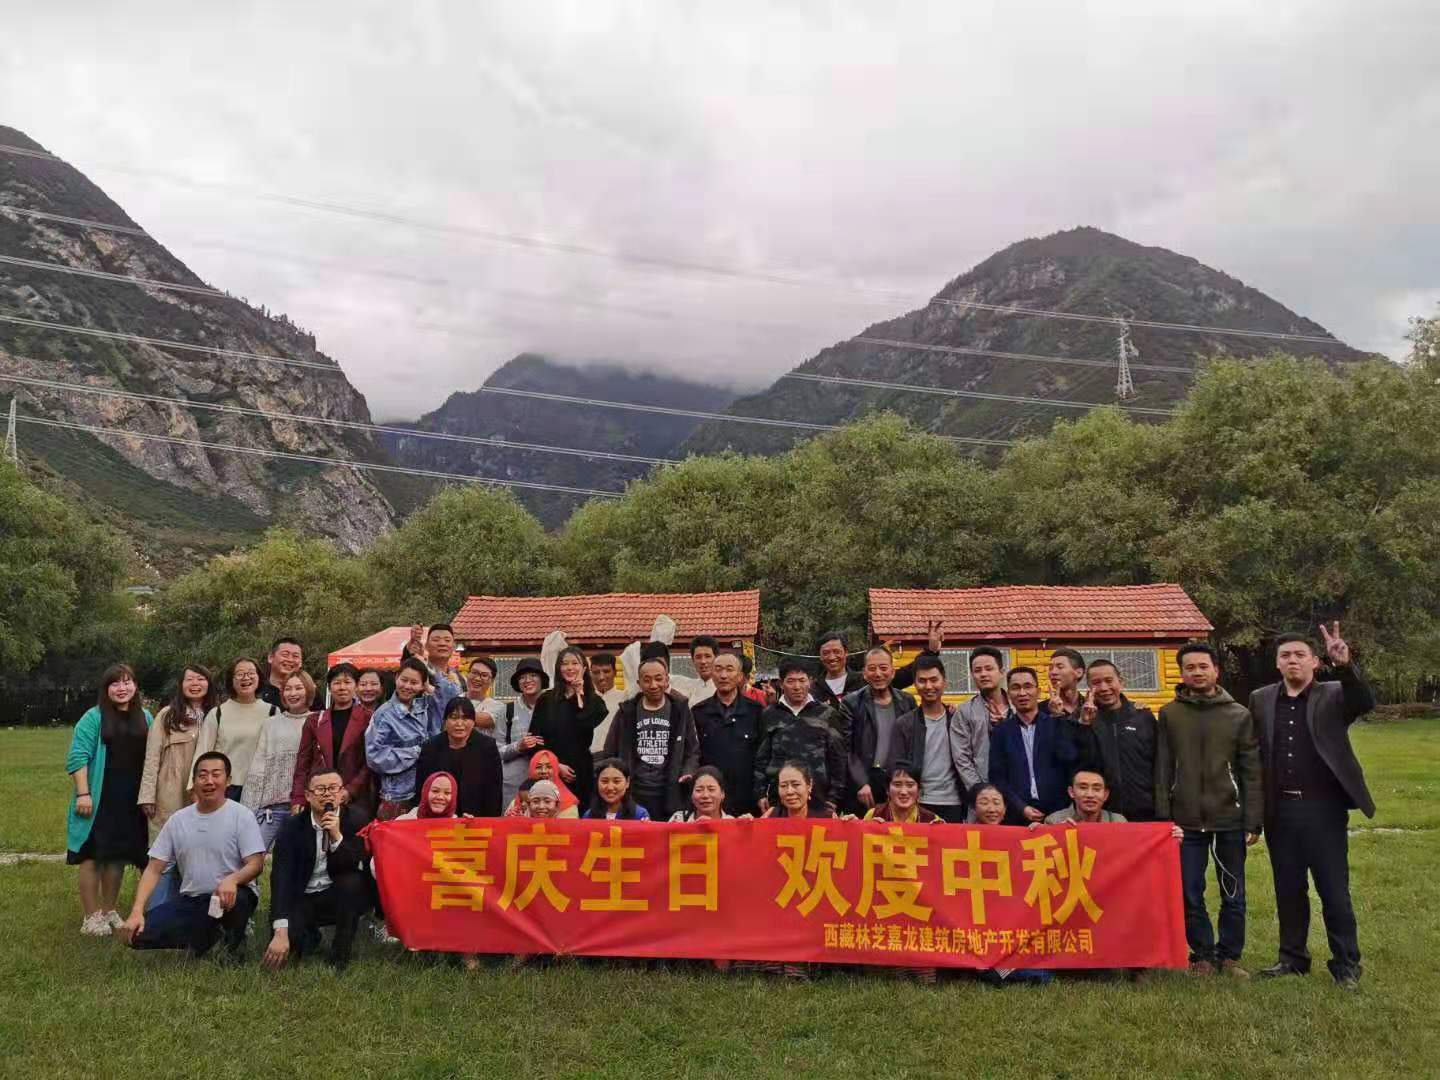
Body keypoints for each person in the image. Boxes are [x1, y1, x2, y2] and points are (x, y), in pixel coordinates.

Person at [1249, 624, 1375, 991]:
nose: (1293, 660)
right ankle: (1292, 959)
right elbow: (1255, 756)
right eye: (1285, 655)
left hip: (1324, 810)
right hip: (1280, 811)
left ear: (1314, 661)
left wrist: (1345, 665)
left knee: (1334, 891)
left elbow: (1364, 702)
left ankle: (1346, 964)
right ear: (1277, 663)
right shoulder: (1260, 699)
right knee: (1288, 889)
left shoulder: (1335, 693)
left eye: (1300, 654)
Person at [1157, 641, 1262, 979]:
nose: (1197, 672)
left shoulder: (1239, 714)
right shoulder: (1170, 714)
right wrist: (1164, 815)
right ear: (1182, 673)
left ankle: (1229, 956)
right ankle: (1201, 954)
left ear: (1216, 670)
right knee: (1189, 891)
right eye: (1190, 667)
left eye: (1203, 666)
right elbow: (1162, 768)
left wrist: (1253, 820)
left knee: (1233, 891)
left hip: (1229, 819)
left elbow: (1251, 770)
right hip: (1185, 822)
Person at [120, 752, 266, 961]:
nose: (209, 781)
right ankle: (205, 938)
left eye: (216, 775)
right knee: (135, 935)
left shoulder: (241, 815)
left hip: (233, 896)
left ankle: (233, 942)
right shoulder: (178, 820)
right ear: (194, 781)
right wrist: (137, 911)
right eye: (202, 775)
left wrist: (232, 880)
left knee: (237, 902)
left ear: (228, 781)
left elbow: (256, 864)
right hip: (193, 901)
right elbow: (154, 869)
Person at [66, 664, 153, 936]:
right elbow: (78, 757)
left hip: (130, 800)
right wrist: (83, 793)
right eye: (115, 683)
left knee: (117, 856)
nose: (122, 688)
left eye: (127, 682)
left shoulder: (146, 717)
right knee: (91, 855)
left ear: (135, 686)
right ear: (106, 689)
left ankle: (108, 910)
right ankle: (91, 917)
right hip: (98, 798)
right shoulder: (93, 717)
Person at [263, 768, 369, 971]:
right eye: (320, 789)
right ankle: (308, 934)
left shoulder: (357, 819)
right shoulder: (292, 826)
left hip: (336, 893)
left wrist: (337, 837)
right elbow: (281, 878)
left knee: (353, 883)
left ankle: (340, 954)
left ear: (341, 793)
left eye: (333, 788)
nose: (327, 794)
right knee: (290, 948)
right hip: (302, 896)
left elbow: (357, 863)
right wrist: (280, 930)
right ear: (308, 796)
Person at [365, 656, 461, 820]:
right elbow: (375, 757)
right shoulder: (384, 714)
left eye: (414, 682)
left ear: (423, 685)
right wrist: (417, 752)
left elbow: (453, 694)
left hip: (432, 793)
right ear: (396, 678)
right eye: (404, 680)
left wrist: (430, 669)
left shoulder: (427, 706)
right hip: (399, 796)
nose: (407, 686)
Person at [605, 655, 700, 820]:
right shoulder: (627, 711)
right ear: (639, 683)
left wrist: (688, 772)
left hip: (670, 790)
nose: (653, 685)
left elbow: (692, 750)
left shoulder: (680, 710)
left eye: (658, 679)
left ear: (667, 680)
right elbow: (610, 750)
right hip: (634, 791)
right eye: (647, 680)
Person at [1066, 658, 1159, 821]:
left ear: (1120, 682)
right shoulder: (1078, 720)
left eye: (1109, 681)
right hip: (1102, 815)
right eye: (1096, 683)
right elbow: (1077, 763)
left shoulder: (1143, 717)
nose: (1104, 688)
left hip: (1145, 812)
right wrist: (1084, 726)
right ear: (1089, 687)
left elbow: (1159, 763)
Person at [753, 659, 847, 814]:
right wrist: (760, 793)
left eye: (802, 680)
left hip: (820, 799)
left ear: (810, 682)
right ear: (781, 684)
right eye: (791, 681)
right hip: (780, 798)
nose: (797, 686)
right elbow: (761, 758)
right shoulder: (769, 715)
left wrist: (834, 798)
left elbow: (838, 758)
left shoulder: (827, 714)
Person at [289, 662, 374, 822]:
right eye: (336, 683)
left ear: (356, 686)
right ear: (329, 687)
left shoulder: (368, 718)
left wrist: (349, 791)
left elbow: (369, 763)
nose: (342, 687)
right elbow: (303, 764)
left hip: (355, 800)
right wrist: (298, 798)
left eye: (347, 682)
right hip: (320, 796)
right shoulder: (314, 720)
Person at [886, 655, 967, 822]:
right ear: (915, 684)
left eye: (934, 680)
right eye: (922, 681)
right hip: (917, 802)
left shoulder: (957, 719)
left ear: (944, 682)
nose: (928, 686)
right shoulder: (905, 724)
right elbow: (896, 765)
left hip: (954, 801)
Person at [528, 646, 607, 813]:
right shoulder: (546, 699)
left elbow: (584, 723)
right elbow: (534, 739)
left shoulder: (595, 702)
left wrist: (579, 695)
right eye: (564, 663)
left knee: (578, 817)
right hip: (548, 771)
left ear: (584, 668)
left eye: (574, 663)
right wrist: (555, 765)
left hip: (580, 772)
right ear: (558, 668)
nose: (570, 667)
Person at [139, 664, 216, 835]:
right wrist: (147, 796)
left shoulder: (217, 715)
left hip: (205, 789)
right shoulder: (167, 715)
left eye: (200, 679)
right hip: (169, 791)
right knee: (168, 841)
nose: (195, 683)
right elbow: (152, 757)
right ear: (181, 685)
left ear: (209, 684)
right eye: (189, 679)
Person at [841, 646, 918, 815]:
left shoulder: (907, 702)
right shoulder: (851, 703)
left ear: (892, 672)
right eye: (872, 668)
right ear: (864, 673)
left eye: (883, 668)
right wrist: (860, 783)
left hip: (898, 780)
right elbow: (846, 749)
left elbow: (914, 744)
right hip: (865, 782)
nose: (878, 674)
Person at [988, 667, 1070, 822]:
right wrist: (1021, 807)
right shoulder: (1001, 732)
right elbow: (997, 777)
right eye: (1015, 688)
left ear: (1038, 692)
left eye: (1027, 686)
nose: (1022, 693)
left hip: (1058, 814)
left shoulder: (1056, 724)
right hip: (1016, 814)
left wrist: (1059, 717)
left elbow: (1069, 760)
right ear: (1009, 695)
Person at [244, 671, 314, 850]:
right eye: (288, 689)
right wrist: (249, 810)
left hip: (307, 806)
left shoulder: (319, 720)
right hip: (272, 807)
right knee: (253, 853)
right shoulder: (271, 724)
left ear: (308, 690)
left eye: (298, 688)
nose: (293, 693)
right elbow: (258, 768)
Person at [692, 649, 766, 816]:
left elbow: (763, 757)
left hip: (748, 798)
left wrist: (761, 792)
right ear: (712, 675)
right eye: (718, 670)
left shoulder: (756, 711)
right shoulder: (698, 712)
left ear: (740, 676)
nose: (723, 675)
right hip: (711, 801)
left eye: (729, 669)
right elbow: (694, 755)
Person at [192, 657, 277, 800]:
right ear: (231, 680)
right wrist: (195, 788)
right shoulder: (218, 713)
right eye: (240, 674)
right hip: (225, 788)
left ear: (259, 677)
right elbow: (202, 752)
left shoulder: (272, 712)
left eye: (251, 673)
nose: (246, 677)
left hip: (262, 788)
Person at [415, 697, 504, 818]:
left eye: (465, 718)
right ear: (445, 721)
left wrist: (489, 821)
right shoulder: (430, 747)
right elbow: (422, 788)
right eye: (454, 717)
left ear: (473, 721)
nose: (459, 723)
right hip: (439, 818)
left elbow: (494, 791)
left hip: (476, 817)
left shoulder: (487, 747)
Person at [954, 646, 1007, 796]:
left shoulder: (1017, 707)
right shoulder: (965, 711)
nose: (983, 674)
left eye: (989, 669)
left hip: (1018, 794)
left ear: (1002, 672)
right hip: (980, 795)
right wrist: (980, 791)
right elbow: (962, 758)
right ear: (972, 675)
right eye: (977, 670)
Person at [496, 658, 546, 810]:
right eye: (522, 677)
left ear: (542, 679)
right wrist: (518, 746)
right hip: (512, 786)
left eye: (533, 675)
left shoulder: (553, 708)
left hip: (546, 782)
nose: (527, 680)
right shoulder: (507, 711)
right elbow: (497, 751)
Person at [503, 750, 581, 818]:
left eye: (549, 767)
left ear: (556, 770)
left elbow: (568, 828)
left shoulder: (568, 803)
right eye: (538, 767)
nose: (543, 771)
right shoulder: (519, 799)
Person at [1043, 768, 1127, 824]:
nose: (1090, 795)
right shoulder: (1054, 821)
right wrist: (1059, 833)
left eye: (1096, 789)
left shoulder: (1118, 822)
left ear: (1105, 795)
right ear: (1071, 792)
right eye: (1083, 788)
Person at [864, 763, 940, 824]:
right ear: (887, 790)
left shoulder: (932, 820)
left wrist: (939, 832)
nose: (904, 792)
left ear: (919, 790)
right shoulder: (873, 815)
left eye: (910, 785)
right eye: (897, 785)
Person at [402, 622, 464, 693]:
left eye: (447, 640)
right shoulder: (419, 670)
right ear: (426, 645)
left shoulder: (459, 677)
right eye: (436, 640)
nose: (442, 644)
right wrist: (410, 648)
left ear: (453, 646)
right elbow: (407, 664)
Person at [761, 762, 836, 819]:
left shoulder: (826, 818)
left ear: (809, 786)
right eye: (783, 786)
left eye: (796, 784)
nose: (789, 791)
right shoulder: (771, 816)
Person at [585, 758, 651, 820]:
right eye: (604, 781)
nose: (610, 787)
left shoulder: (640, 815)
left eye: (616, 781)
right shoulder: (589, 816)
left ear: (627, 782)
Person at [587, 651, 625, 760]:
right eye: (596, 672)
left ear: (615, 672)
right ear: (590, 674)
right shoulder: (584, 700)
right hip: (588, 758)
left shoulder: (625, 698)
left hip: (615, 759)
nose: (601, 677)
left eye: (606, 671)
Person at [812, 631, 864, 709]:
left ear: (846, 652)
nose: (832, 657)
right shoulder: (814, 689)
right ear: (820, 656)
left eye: (836, 652)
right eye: (826, 653)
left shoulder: (862, 681)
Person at [669, 766, 741, 822]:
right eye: (699, 790)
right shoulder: (678, 820)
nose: (705, 795)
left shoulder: (730, 822)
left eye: (711, 789)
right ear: (691, 795)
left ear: (722, 794)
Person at [259, 636, 309, 709]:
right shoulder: (257, 689)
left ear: (301, 662)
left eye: (295, 656)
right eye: (285, 655)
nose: (290, 660)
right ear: (270, 658)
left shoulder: (309, 692)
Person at [397, 771, 461, 820]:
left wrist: (466, 828)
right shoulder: (403, 822)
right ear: (425, 792)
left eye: (447, 793)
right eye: (435, 791)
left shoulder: (458, 826)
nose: (440, 797)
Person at [1044, 647, 1087, 720]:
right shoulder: (1040, 710)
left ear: (1079, 672)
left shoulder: (1090, 708)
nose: (1053, 672)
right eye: (1050, 668)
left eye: (1060, 667)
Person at [465, 656, 506, 730]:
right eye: (474, 673)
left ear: (492, 681)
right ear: (467, 674)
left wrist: (453, 715)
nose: (477, 678)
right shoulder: (455, 698)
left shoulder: (498, 707)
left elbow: (483, 720)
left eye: (484, 675)